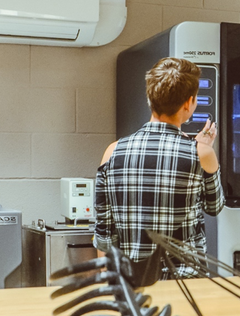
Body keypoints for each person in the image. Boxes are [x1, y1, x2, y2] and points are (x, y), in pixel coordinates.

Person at [94, 57, 224, 263]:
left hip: (133, 283)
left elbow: (103, 230)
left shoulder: (112, 151)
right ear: (189, 103)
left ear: (150, 98)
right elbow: (214, 207)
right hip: (184, 282)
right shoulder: (202, 154)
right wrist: (203, 148)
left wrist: (109, 280)